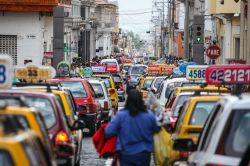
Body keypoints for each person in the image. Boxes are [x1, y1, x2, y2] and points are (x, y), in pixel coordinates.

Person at [105, 89, 160, 166]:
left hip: (125, 154)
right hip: (144, 153)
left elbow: (109, 131)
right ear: (141, 100)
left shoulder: (121, 115)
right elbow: (157, 129)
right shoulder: (149, 115)